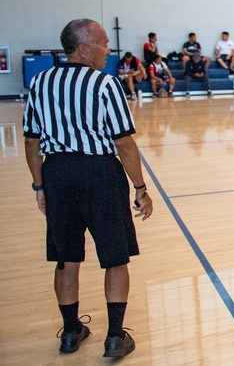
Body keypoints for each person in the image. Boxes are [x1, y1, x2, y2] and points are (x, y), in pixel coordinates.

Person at [22, 18, 154, 357]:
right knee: (115, 256)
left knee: (66, 257)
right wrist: (140, 187)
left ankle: (70, 332)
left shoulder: (39, 82)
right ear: (83, 49)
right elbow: (124, 143)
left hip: (58, 173)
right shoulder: (105, 84)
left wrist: (40, 185)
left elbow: (32, 140)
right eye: (104, 44)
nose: (108, 51)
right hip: (99, 173)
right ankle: (114, 336)